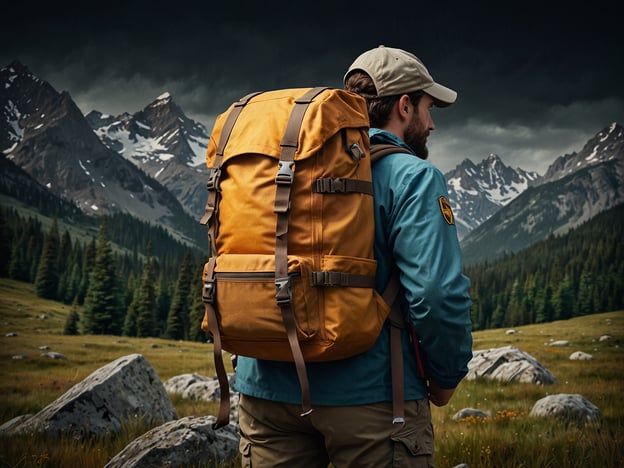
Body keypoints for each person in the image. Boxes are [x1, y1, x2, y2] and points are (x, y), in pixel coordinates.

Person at [234, 45, 473, 467]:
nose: (432, 123)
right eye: (428, 108)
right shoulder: (414, 177)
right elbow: (437, 294)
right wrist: (447, 376)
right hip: (373, 402)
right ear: (404, 106)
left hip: (265, 392)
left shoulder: (280, 167)